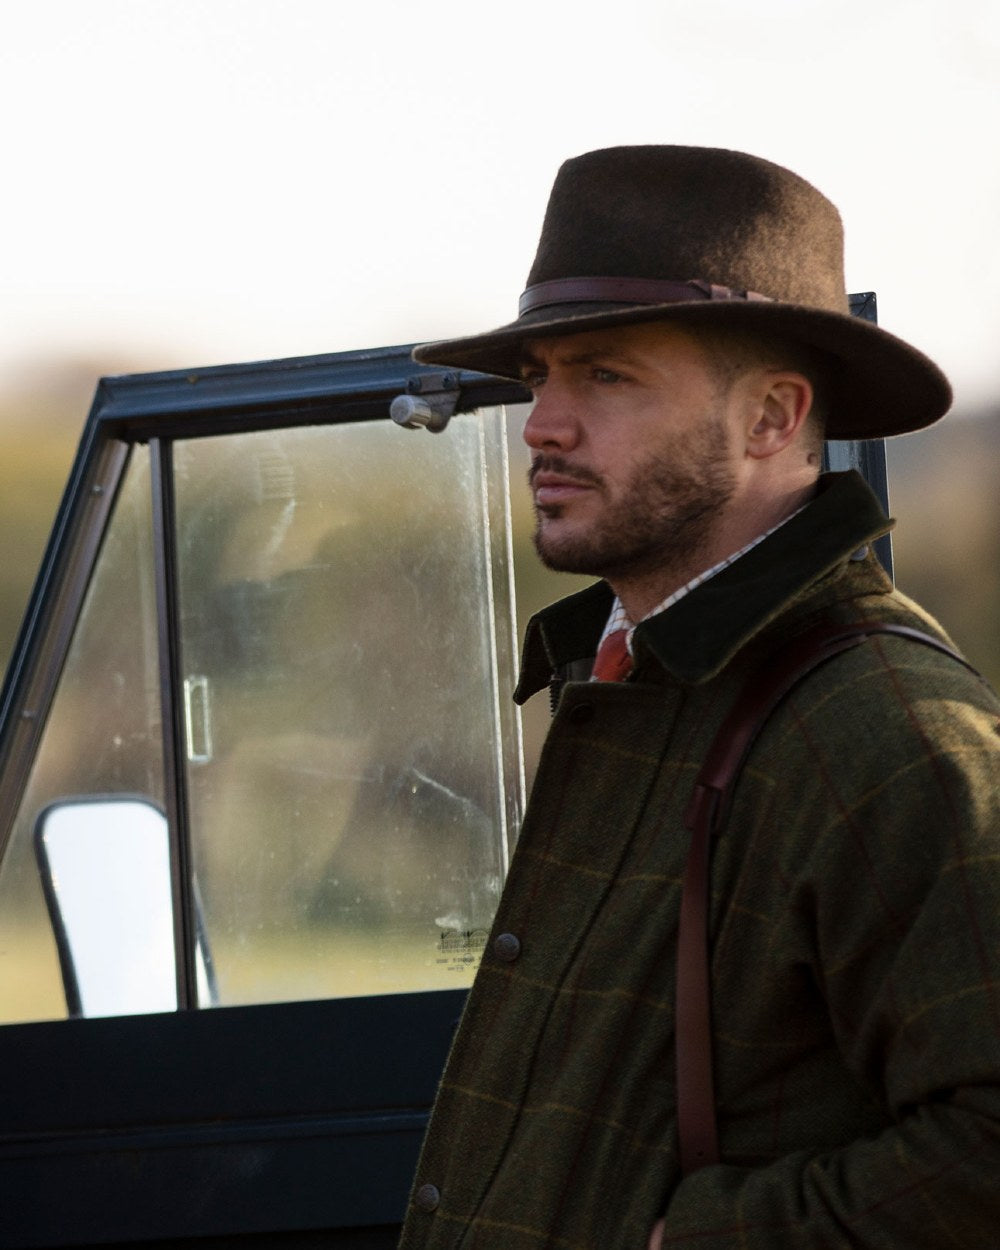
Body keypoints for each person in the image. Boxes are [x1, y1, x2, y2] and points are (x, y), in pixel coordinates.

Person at [397, 146, 1000, 1248]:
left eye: (607, 375)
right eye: (540, 375)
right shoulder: (634, 673)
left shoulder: (889, 727)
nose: (541, 424)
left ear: (772, 418)